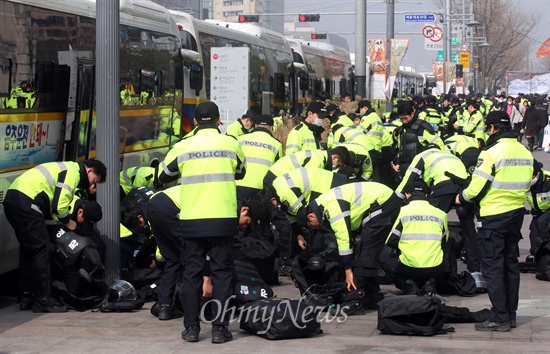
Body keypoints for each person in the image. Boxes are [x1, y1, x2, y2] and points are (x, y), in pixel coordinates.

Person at [158, 101, 246, 344]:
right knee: (222, 274)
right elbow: (241, 172)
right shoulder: (231, 143)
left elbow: (163, 175)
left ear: (195, 122)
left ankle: (191, 328)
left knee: (191, 274)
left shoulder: (183, 146)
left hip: (192, 220)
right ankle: (219, 329)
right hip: (222, 220)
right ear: (219, 120)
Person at [456, 110, 533, 332]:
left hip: (493, 216)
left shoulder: (491, 152)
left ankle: (499, 317)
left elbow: (477, 185)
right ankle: (510, 314)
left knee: (492, 267)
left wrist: (462, 197)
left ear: (492, 129)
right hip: (516, 214)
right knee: (510, 266)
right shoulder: (525, 151)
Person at [3, 159, 106, 312]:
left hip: (13, 199)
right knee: (44, 249)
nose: (91, 185)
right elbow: (60, 204)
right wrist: (68, 222)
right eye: (94, 181)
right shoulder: (73, 173)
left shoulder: (64, 167)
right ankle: (43, 299)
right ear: (90, 171)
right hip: (26, 201)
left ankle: (26, 296)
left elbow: (52, 205)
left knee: (29, 250)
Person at [304, 181, 402, 314]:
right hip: (382, 200)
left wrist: (348, 270)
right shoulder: (323, 203)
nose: (313, 227)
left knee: (364, 251)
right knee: (364, 251)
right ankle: (373, 295)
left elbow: (343, 238)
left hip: (384, 202)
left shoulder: (332, 207)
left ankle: (355, 301)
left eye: (310, 223)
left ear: (311, 215)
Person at [386, 181, 448, 295]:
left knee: (382, 253)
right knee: (447, 248)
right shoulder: (441, 213)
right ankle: (431, 282)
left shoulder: (401, 212)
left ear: (407, 195)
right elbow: (445, 242)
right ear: (426, 195)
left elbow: (391, 240)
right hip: (434, 268)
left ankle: (408, 284)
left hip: (408, 268)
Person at [236, 114, 282, 200]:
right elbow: (278, 169)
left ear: (255, 125)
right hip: (261, 189)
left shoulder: (240, 139)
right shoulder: (276, 144)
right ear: (272, 128)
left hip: (238, 185)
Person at [393, 100, 444, 177]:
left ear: (412, 114)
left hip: (420, 169)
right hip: (405, 167)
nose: (404, 122)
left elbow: (439, 145)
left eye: (405, 118)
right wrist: (397, 163)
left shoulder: (422, 129)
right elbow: (401, 149)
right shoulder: (401, 130)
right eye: (401, 119)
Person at [526, 161, 550, 261]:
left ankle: (546, 251)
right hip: (538, 211)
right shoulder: (524, 183)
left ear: (537, 174)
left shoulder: (548, 180)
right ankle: (539, 255)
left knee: (542, 223)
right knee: (533, 248)